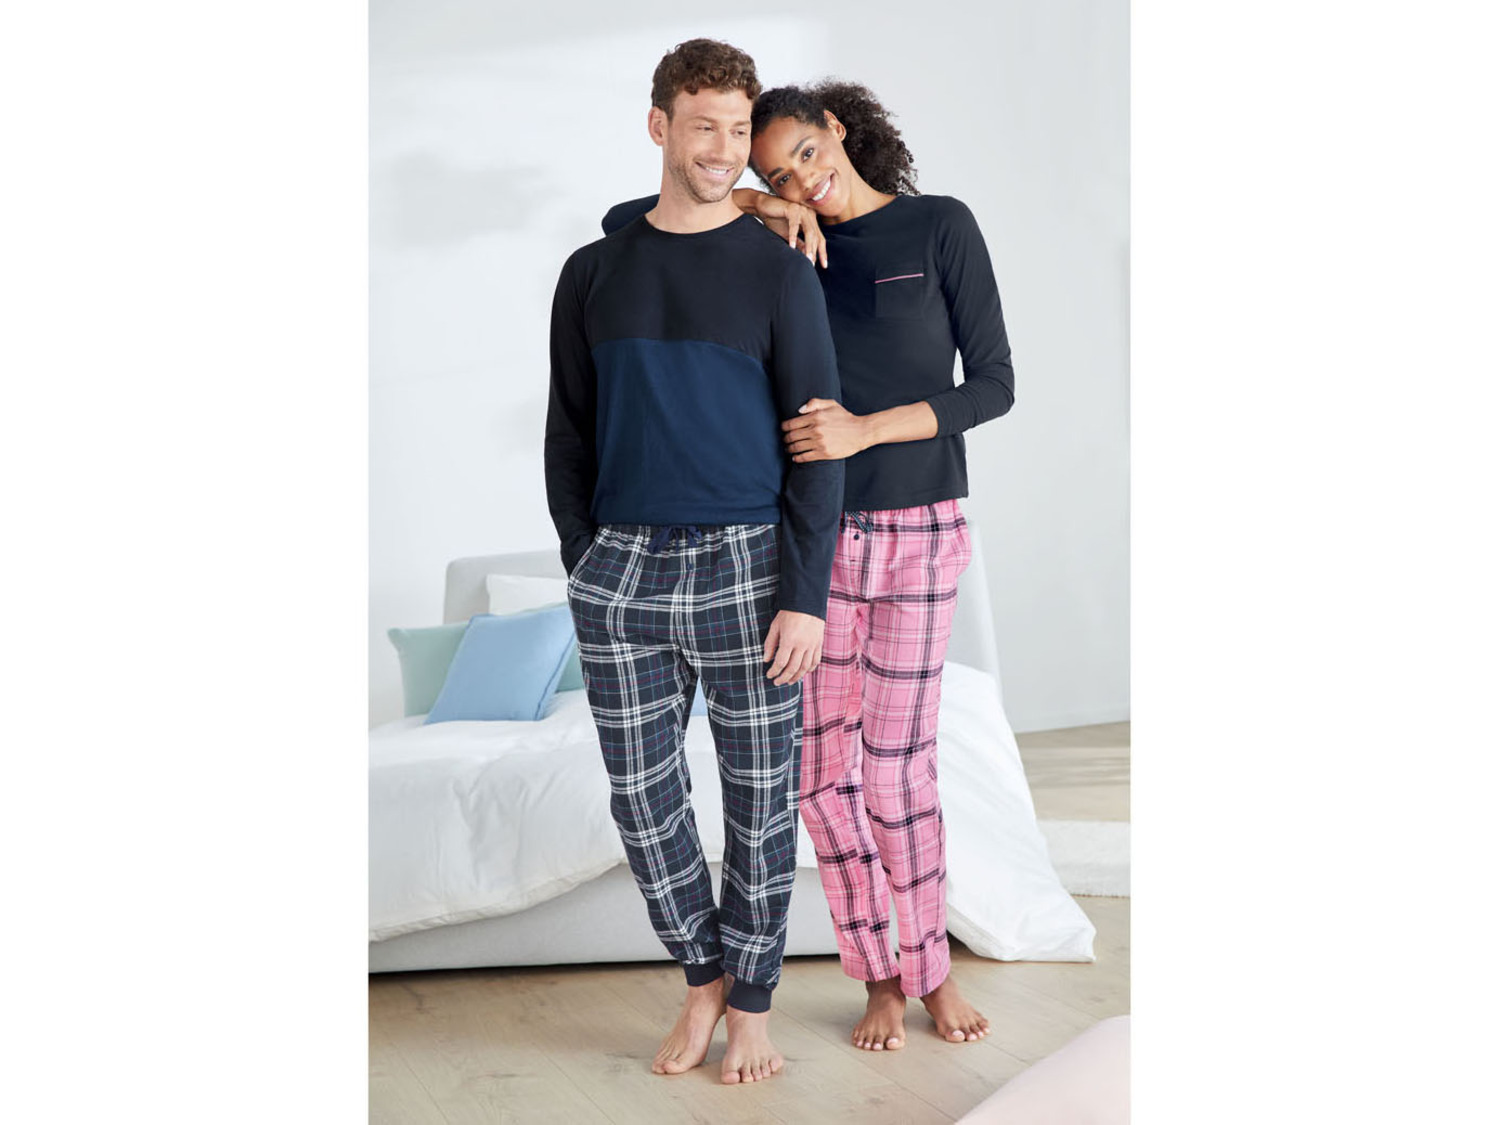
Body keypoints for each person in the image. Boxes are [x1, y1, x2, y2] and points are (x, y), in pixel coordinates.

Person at [603, 79, 1015, 1053]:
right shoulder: (778, 244)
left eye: (806, 154)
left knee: (898, 773)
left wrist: (865, 429)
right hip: (808, 541)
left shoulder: (940, 226)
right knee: (820, 781)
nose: (804, 179)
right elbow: (624, 221)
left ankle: (932, 969)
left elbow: (995, 385)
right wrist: (754, 204)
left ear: (838, 129)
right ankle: (879, 978)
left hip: (919, 529)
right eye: (780, 171)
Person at [544, 40, 844, 1085]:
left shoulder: (780, 270)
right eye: (704, 124)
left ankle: (751, 1004)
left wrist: (804, 594)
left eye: (738, 127)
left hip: (748, 566)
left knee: (759, 799)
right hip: (620, 571)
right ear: (659, 126)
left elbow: (817, 444)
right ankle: (703, 977)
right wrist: (584, 559)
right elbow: (569, 433)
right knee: (641, 799)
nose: (724, 148)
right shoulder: (593, 271)